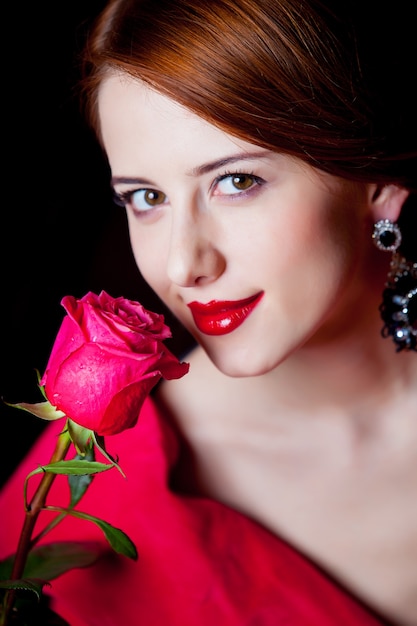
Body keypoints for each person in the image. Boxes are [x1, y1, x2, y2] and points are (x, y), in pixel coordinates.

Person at [1, 0, 416, 624]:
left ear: (377, 186)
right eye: (145, 198)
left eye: (236, 182)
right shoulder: (79, 508)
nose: (181, 264)